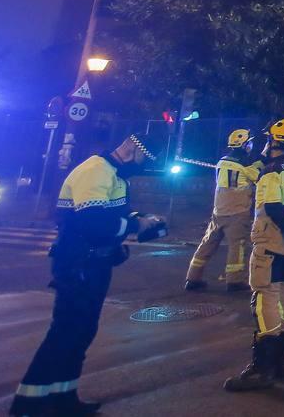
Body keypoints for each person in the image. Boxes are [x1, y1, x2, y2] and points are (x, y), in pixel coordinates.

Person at [10, 131, 169, 416]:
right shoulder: (96, 171)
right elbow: (93, 222)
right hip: (78, 264)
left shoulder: (116, 176)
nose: (144, 165)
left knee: (81, 332)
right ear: (132, 148)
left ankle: (63, 396)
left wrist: (143, 220)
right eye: (145, 158)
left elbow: (115, 211)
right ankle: (28, 404)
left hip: (95, 264)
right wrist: (135, 226)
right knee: (65, 332)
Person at [224, 118, 284, 393]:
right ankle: (279, 363)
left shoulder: (271, 172)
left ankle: (261, 369)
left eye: (269, 140)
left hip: (271, 243)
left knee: (265, 299)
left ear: (275, 142)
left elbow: (273, 206)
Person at [185, 128, 262, 292]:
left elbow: (251, 167)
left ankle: (192, 278)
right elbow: (259, 176)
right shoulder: (244, 165)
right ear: (245, 145)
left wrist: (262, 156)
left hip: (218, 211)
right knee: (237, 247)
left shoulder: (223, 161)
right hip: (237, 212)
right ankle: (234, 281)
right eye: (249, 143)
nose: (251, 146)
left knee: (207, 244)